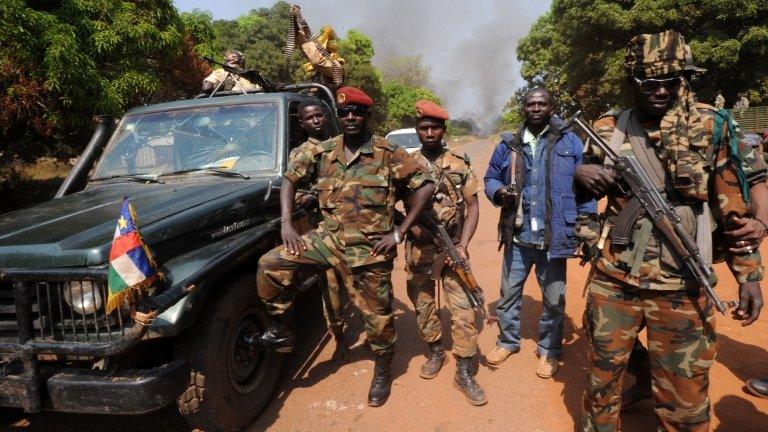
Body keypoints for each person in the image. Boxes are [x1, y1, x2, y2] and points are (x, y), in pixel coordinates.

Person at [575, 30, 765, 431]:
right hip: (615, 280)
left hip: (682, 285)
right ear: (633, 81)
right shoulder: (608, 127)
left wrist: (749, 277)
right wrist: (582, 173)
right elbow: (582, 192)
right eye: (649, 81)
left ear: (685, 78)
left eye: (671, 80)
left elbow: (734, 209)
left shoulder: (712, 125)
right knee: (601, 385)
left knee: (685, 399)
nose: (660, 90)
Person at [251, 86, 435, 407]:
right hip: (330, 240)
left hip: (371, 249)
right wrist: (285, 222)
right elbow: (290, 179)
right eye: (345, 113)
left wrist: (400, 232)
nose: (350, 117)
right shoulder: (323, 151)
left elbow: (425, 185)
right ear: (339, 117)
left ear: (367, 116)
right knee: (271, 264)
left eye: (357, 112)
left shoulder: (388, 152)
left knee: (377, 319)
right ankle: (282, 328)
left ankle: (382, 367)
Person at [483, 88, 597, 378]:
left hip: (553, 237)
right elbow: (491, 176)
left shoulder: (569, 141)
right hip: (518, 236)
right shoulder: (509, 144)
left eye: (541, 104)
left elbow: (586, 187)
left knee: (554, 299)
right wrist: (497, 191)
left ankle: (549, 351)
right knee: (508, 295)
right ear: (524, 108)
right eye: (531, 104)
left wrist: (588, 226)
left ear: (551, 107)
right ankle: (507, 342)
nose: (536, 108)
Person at [403, 100, 486, 405]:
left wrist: (462, 245)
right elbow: (393, 208)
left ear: (443, 129)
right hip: (419, 250)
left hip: (452, 246)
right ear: (417, 130)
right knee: (424, 305)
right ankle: (435, 350)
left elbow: (474, 207)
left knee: (464, 310)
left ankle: (464, 371)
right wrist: (411, 228)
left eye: (434, 127)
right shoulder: (406, 164)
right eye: (423, 128)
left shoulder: (460, 163)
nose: (429, 133)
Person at [288, 98, 349, 362]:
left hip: (354, 227)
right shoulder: (301, 153)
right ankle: (341, 339)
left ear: (325, 116)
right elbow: (292, 188)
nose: (316, 120)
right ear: (302, 123)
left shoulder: (343, 143)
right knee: (331, 287)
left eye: (319, 115)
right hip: (324, 228)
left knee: (365, 283)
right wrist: (306, 199)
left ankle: (377, 335)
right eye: (309, 118)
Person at [286, 5, 345, 90]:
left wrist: (301, 23)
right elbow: (304, 43)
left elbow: (317, 61)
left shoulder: (337, 67)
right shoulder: (320, 71)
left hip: (327, 102)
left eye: (319, 50)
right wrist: (296, 22)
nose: (318, 53)